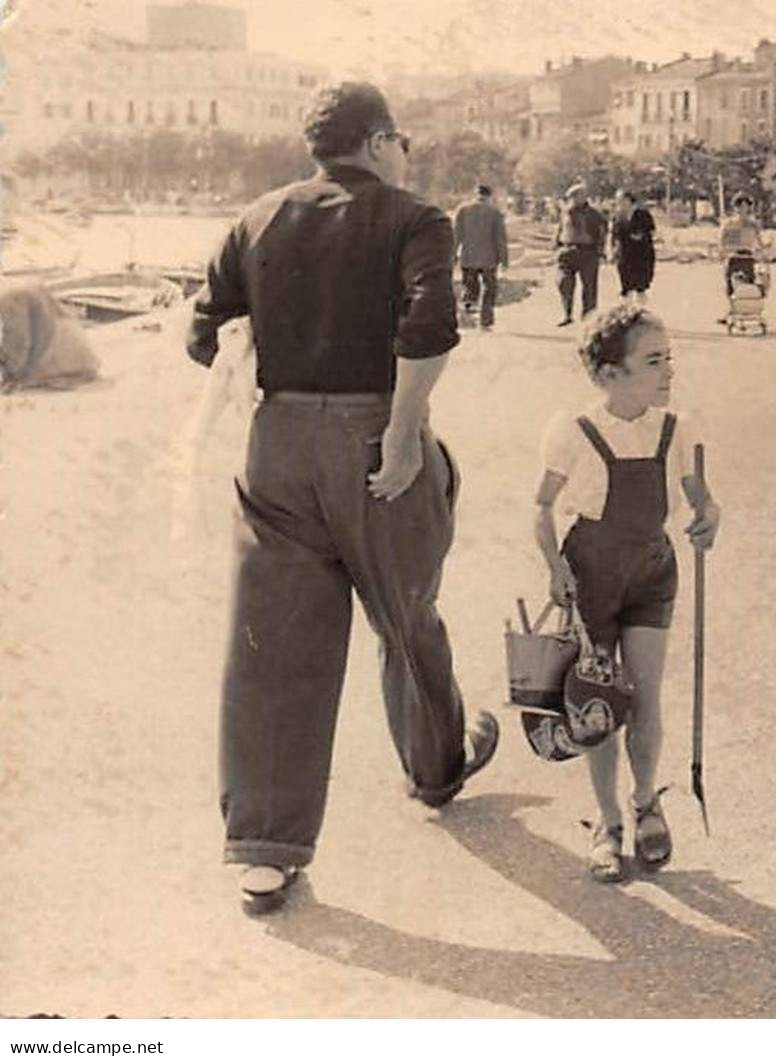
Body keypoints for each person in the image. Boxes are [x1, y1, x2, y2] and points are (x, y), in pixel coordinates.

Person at [186, 81, 499, 915]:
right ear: (380, 141)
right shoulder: (412, 217)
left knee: (275, 647)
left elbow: (201, 332)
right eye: (401, 143)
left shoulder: (256, 217)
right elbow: (431, 325)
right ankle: (435, 769)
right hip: (374, 437)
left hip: (276, 443)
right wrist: (400, 435)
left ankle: (266, 850)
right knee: (406, 615)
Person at [534, 304, 721, 882]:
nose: (670, 372)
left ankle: (644, 801)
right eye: (654, 361)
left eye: (671, 358)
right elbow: (542, 506)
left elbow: (701, 499)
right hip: (589, 576)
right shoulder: (575, 430)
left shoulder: (678, 427)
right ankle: (607, 820)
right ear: (609, 375)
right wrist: (553, 568)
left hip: (651, 574)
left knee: (643, 697)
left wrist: (709, 516)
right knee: (596, 702)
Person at [453, 183, 509, 330]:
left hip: (468, 257)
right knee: (489, 289)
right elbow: (500, 239)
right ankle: (485, 321)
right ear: (489, 196)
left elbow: (456, 236)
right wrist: (504, 260)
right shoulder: (495, 213)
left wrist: (452, 255)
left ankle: (466, 316)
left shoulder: (462, 210)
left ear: (475, 194)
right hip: (489, 259)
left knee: (469, 287)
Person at [556, 182, 607, 326]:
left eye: (575, 196)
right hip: (566, 251)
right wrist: (556, 245)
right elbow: (560, 229)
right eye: (570, 197)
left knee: (589, 287)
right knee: (563, 282)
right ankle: (567, 314)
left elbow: (602, 232)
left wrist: (600, 251)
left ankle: (589, 318)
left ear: (583, 197)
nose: (571, 200)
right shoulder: (565, 212)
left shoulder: (594, 214)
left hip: (587, 252)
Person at [610, 189, 657, 303]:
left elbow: (652, 231)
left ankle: (640, 312)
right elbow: (614, 235)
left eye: (621, 200)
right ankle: (627, 312)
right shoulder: (617, 216)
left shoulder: (643, 214)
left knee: (641, 286)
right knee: (626, 286)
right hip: (624, 255)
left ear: (628, 200)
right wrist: (613, 250)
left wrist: (641, 235)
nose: (618, 202)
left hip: (642, 254)